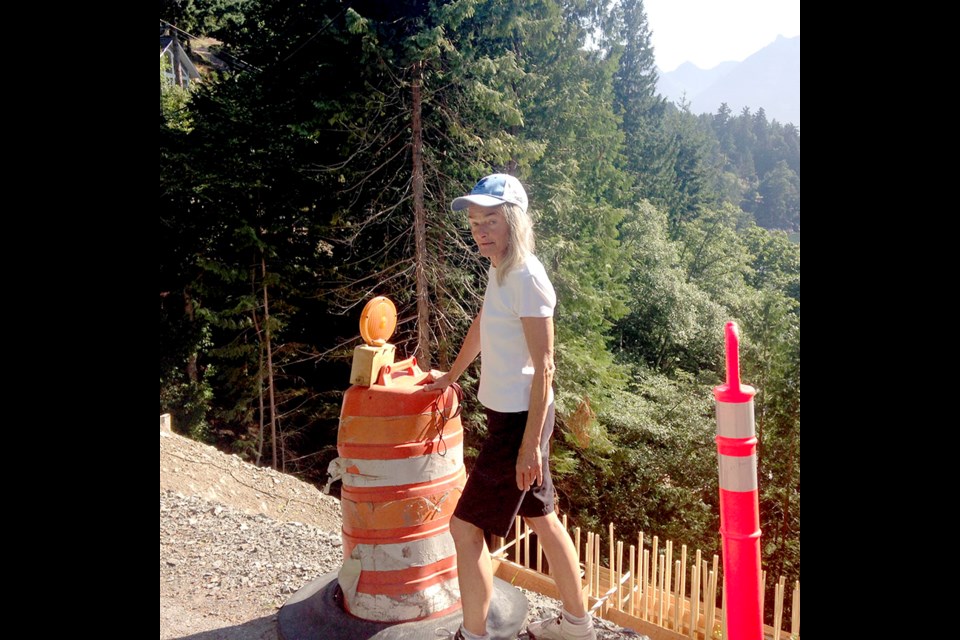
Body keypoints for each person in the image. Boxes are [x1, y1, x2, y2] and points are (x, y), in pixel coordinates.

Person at [425, 174, 596, 640]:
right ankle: (578, 628)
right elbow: (483, 322)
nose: (481, 231)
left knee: (464, 529)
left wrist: (528, 448)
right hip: (513, 420)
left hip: (522, 422)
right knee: (543, 518)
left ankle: (473, 634)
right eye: (476, 222)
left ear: (515, 221)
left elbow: (545, 368)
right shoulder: (499, 269)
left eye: (491, 220)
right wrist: (451, 375)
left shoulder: (527, 277)